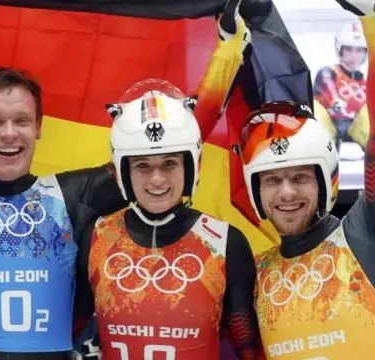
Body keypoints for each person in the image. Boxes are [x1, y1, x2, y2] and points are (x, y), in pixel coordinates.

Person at [0, 1, 252, 358]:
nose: (9, 134)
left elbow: (165, 141)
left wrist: (228, 55)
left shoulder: (67, 197)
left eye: (21, 121)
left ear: (39, 127)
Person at [237, 0, 375, 358]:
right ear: (255, 189)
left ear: (324, 181)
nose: (286, 192)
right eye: (272, 180)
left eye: (300, 177)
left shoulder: (368, 237)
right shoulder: (257, 274)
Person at [70, 78, 264, 360]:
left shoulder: (225, 243)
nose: (157, 179)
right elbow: (66, 336)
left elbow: (249, 351)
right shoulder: (97, 237)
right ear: (122, 172)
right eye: (143, 166)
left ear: (191, 165)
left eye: (170, 163)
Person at [313, 20, 369, 149]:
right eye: (349, 49)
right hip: (330, 127)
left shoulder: (368, 83)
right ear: (340, 50)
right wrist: (336, 103)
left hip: (357, 130)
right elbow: (329, 92)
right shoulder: (328, 72)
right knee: (314, 107)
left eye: (359, 50)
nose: (354, 55)